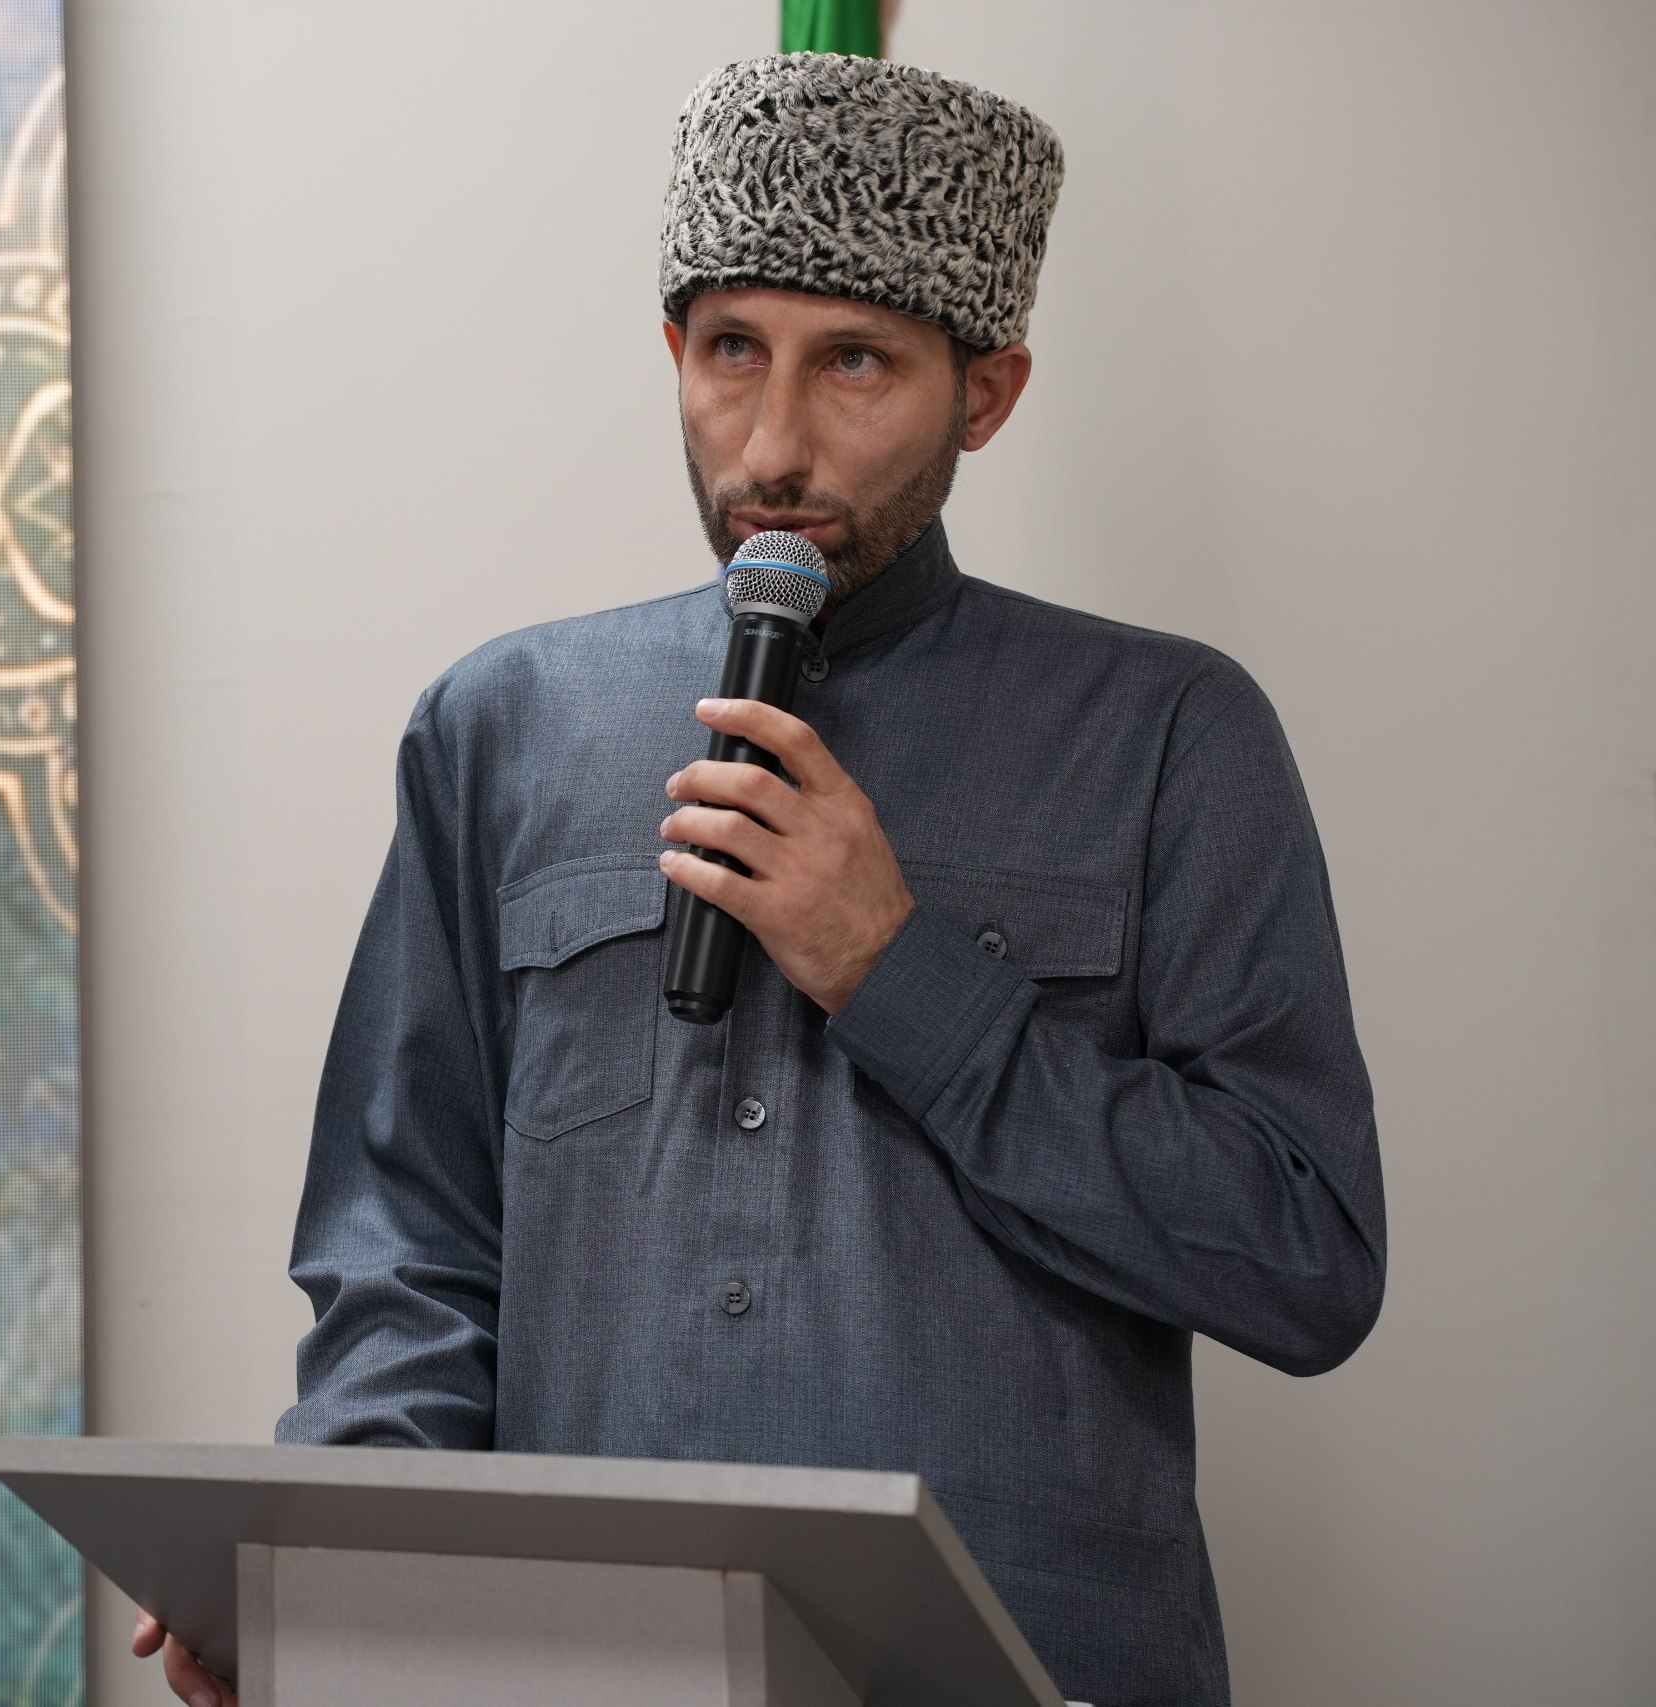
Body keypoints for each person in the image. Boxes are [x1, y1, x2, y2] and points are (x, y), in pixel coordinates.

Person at [135, 51, 1384, 1707]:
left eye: (855, 361)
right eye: (733, 351)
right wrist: (339, 1575)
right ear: (676, 351)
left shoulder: (1166, 733)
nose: (773, 444)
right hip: (580, 1676)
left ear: (987, 392)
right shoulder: (502, 726)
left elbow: (1304, 1261)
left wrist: (902, 972)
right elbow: (405, 1249)